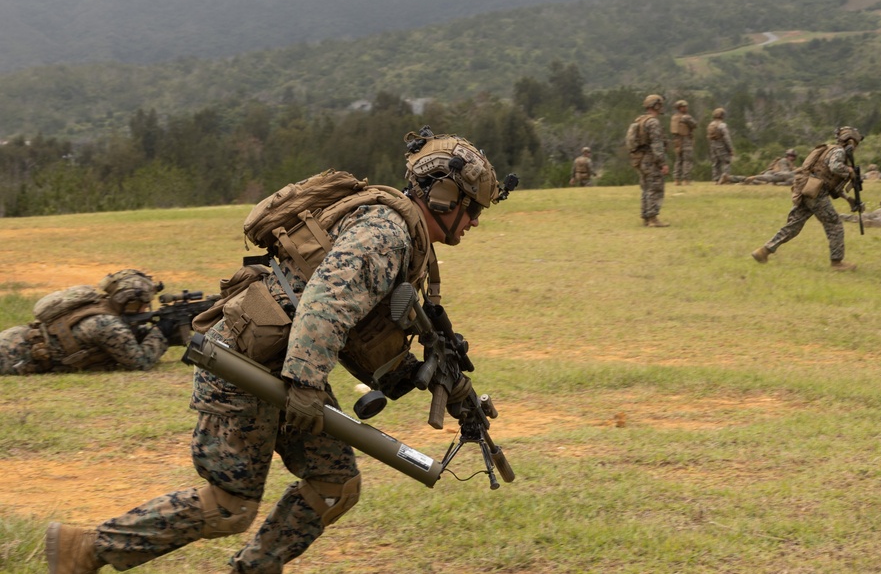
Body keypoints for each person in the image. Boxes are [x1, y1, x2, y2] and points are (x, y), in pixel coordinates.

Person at [45, 132, 509, 574]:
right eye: (471, 210)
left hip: (284, 363)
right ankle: (84, 548)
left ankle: (258, 566)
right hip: (246, 363)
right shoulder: (386, 233)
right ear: (445, 197)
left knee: (335, 485)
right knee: (230, 506)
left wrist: (440, 384)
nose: (473, 222)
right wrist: (306, 384)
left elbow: (366, 340)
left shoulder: (405, 239)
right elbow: (326, 301)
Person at [0, 269, 171, 375]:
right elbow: (140, 362)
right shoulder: (107, 324)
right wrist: (162, 333)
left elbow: (128, 340)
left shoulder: (101, 304)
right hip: (14, 355)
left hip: (17, 338)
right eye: (143, 304)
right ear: (129, 302)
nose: (145, 308)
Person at [751, 127, 864, 271]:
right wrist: (849, 171)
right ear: (851, 142)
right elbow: (835, 167)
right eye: (855, 144)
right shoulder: (839, 152)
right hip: (817, 193)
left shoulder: (830, 149)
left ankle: (763, 251)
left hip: (808, 189)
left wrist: (848, 199)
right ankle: (837, 263)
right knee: (834, 224)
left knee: (794, 225)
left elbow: (830, 182)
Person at [628, 94, 670, 227]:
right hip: (650, 159)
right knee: (655, 187)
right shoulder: (653, 122)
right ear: (656, 105)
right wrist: (662, 163)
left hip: (640, 159)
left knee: (646, 188)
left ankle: (646, 217)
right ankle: (653, 218)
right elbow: (657, 144)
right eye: (660, 104)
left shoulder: (640, 120)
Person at [719, 149, 797, 185]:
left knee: (753, 182)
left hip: (771, 175)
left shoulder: (790, 164)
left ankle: (729, 179)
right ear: (787, 155)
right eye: (790, 156)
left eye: (793, 156)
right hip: (772, 175)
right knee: (755, 180)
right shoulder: (784, 161)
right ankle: (730, 179)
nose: (791, 157)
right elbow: (785, 173)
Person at [669, 99, 697, 186]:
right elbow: (695, 125)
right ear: (679, 108)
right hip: (685, 140)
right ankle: (686, 179)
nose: (685, 108)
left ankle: (676, 179)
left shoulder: (674, 117)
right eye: (683, 107)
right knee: (687, 160)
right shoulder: (686, 117)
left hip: (677, 141)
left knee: (678, 160)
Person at [706, 107, 734, 183]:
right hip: (722, 146)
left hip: (713, 146)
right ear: (722, 115)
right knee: (726, 162)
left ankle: (716, 179)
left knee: (716, 163)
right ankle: (726, 179)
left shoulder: (710, 125)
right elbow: (727, 138)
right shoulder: (722, 125)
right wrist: (730, 149)